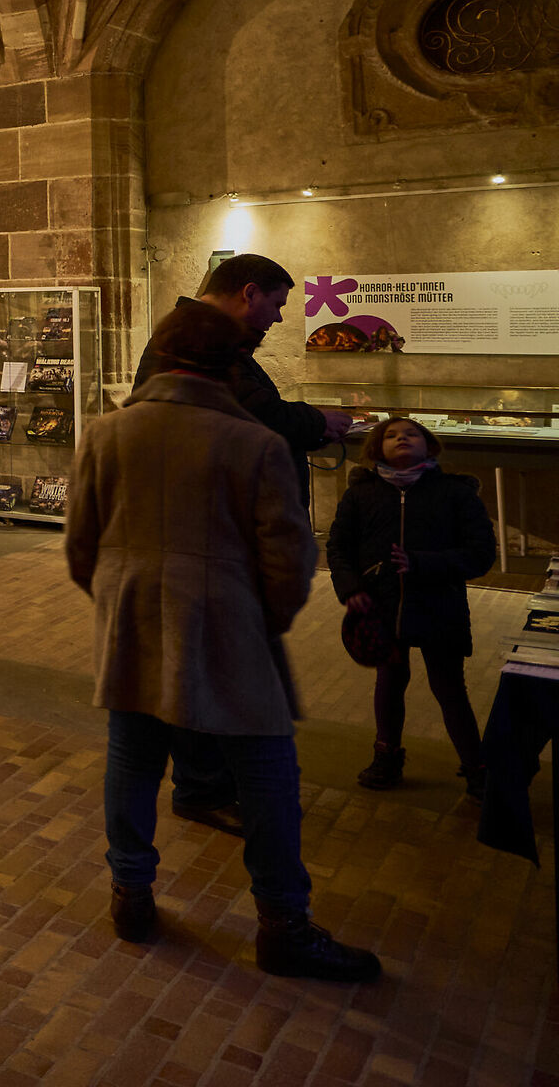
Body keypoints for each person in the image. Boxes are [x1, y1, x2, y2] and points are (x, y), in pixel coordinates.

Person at [67, 299, 379, 980]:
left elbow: (81, 548)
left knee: (133, 761)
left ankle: (131, 895)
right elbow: (288, 560)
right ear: (230, 366)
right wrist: (258, 619)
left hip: (134, 627)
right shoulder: (256, 444)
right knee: (266, 776)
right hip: (230, 625)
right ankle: (283, 926)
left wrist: (123, 600)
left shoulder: (105, 433)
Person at [133, 254, 356, 840]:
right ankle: (202, 789)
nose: (278, 318)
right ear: (247, 293)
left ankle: (214, 781)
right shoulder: (202, 344)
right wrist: (315, 422)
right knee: (200, 670)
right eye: (277, 304)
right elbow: (242, 415)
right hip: (205, 540)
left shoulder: (202, 339)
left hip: (210, 540)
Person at [326, 416, 495, 796]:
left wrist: (421, 563)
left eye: (411, 433)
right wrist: (350, 587)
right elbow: (338, 547)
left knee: (449, 687)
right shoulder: (361, 495)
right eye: (391, 435)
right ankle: (386, 756)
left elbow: (481, 553)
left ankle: (477, 767)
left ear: (429, 445)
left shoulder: (455, 493)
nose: (402, 437)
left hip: (439, 606)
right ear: (375, 449)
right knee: (389, 680)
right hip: (382, 606)